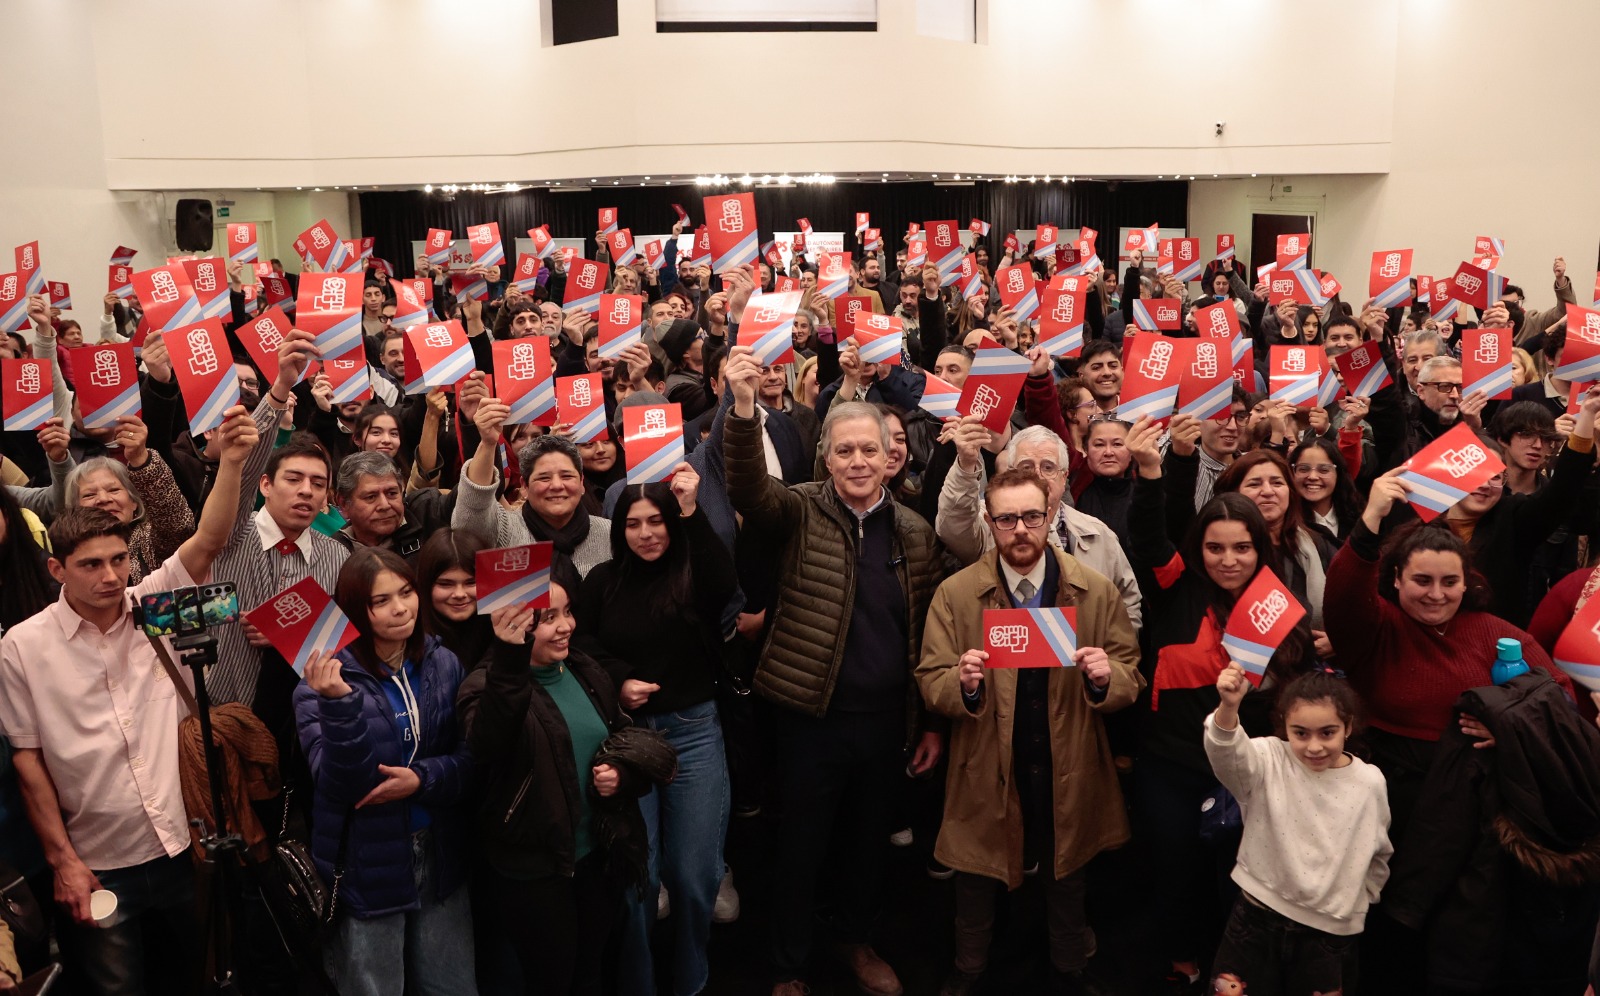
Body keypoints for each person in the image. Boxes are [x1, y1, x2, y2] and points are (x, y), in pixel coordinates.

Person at [0, 405, 256, 996]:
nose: (111, 577)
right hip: (99, 861)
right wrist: (63, 862)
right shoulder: (22, 647)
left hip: (184, 847)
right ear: (57, 569)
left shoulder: (153, 607)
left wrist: (235, 462)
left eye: (118, 560)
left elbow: (209, 537)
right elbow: (28, 762)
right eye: (90, 565)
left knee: (210, 978)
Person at [722, 344, 944, 996]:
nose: (856, 461)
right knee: (800, 850)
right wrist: (741, 408)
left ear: (888, 456)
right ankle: (789, 965)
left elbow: (929, 636)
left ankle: (853, 941)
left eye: (868, 451)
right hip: (807, 720)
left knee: (866, 849)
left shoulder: (914, 532)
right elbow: (746, 486)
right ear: (825, 456)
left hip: (885, 724)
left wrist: (930, 723)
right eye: (844, 450)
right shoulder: (798, 509)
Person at [918, 468, 1143, 995]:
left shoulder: (1095, 591)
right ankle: (969, 968)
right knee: (975, 874)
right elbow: (930, 679)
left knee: (1068, 870)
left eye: (1031, 517)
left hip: (1069, 756)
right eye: (1006, 518)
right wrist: (963, 684)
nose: (1020, 529)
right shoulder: (955, 594)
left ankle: (1071, 967)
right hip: (987, 757)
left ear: (1050, 517)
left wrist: (1108, 678)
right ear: (989, 522)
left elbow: (1131, 669)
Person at [1123, 415, 1315, 991]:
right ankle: (1181, 962)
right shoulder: (1175, 584)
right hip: (1172, 765)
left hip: (1250, 771)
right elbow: (1150, 531)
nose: (1228, 560)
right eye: (1215, 547)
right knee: (1176, 873)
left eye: (1242, 548)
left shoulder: (1279, 604)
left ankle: (1234, 969)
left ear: (1261, 549)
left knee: (1239, 881)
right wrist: (1160, 470)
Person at [1322, 468, 1574, 841]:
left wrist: (1509, 728)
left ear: (1466, 581)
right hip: (1392, 803)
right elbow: (1343, 595)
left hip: (1478, 811)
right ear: (1396, 579)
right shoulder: (1375, 628)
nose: (1436, 595)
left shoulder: (1494, 630)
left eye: (1450, 582)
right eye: (1422, 581)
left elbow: (1560, 696)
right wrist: (1371, 517)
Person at [574, 467, 739, 996]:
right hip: (626, 740)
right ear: (618, 530)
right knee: (636, 884)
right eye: (634, 524)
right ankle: (639, 982)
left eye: (657, 522)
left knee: (694, 878)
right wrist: (619, 682)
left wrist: (691, 512)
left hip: (693, 732)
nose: (647, 533)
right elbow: (581, 648)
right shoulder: (601, 581)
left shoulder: (695, 568)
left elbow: (723, 587)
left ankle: (692, 975)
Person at [293, 548, 476, 996]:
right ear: (356, 609)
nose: (401, 608)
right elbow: (342, 784)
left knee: (451, 985)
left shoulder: (442, 661)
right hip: (366, 862)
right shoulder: (319, 683)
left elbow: (472, 759)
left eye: (407, 592)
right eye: (381, 601)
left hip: (439, 854)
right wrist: (338, 705)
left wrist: (422, 779)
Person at [457, 574, 641, 996]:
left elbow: (619, 743)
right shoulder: (484, 685)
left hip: (594, 855)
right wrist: (509, 661)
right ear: (513, 624)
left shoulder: (583, 668)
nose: (566, 626)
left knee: (590, 972)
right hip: (535, 869)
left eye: (568, 612)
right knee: (551, 981)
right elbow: (487, 744)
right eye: (547, 618)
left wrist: (623, 775)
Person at [1205, 667, 1392, 996]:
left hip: (1328, 934)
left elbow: (1378, 850)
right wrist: (1228, 708)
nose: (1314, 746)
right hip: (1255, 916)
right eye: (1301, 733)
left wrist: (1357, 901)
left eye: (1327, 732)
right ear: (1284, 728)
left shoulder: (1369, 781)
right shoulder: (1268, 757)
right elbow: (1226, 756)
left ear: (1348, 727)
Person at [936, 420, 1142, 629]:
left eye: (1048, 467)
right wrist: (966, 465)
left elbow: (1127, 605)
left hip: (1081, 659)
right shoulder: (988, 521)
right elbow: (953, 526)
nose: (1038, 475)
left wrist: (1108, 656)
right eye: (1026, 467)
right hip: (999, 654)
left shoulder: (1098, 534)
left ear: (1064, 478)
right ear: (1009, 474)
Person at [453, 404, 613, 576]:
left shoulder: (610, 533)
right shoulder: (505, 529)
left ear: (582, 482)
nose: (557, 485)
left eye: (567, 476)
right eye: (544, 478)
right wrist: (488, 442)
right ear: (524, 487)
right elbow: (469, 519)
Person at [64, 417, 193, 586]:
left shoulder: (151, 542)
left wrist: (140, 457)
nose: (103, 499)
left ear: (134, 502)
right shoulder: (66, 552)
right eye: (89, 495)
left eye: (114, 490)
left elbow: (177, 525)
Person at [414, 527, 493, 670]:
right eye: (445, 584)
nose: (459, 594)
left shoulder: (503, 630)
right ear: (426, 585)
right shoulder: (411, 641)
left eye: (471, 582)